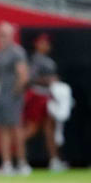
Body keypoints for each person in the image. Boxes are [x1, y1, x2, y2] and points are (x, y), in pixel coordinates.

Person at [0, 21, 30, 176]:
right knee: (3, 130)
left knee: (16, 129)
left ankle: (22, 163)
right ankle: (6, 164)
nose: (2, 37)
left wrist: (15, 93)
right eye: (0, 34)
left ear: (12, 35)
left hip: (12, 96)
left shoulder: (17, 52)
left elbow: (23, 76)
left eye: (5, 34)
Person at [23, 34, 67, 172]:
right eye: (43, 43)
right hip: (37, 97)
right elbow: (30, 79)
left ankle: (54, 160)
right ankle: (16, 158)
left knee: (50, 129)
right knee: (32, 129)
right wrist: (48, 80)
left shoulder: (47, 60)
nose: (46, 46)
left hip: (48, 96)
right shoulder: (35, 60)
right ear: (37, 44)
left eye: (47, 43)